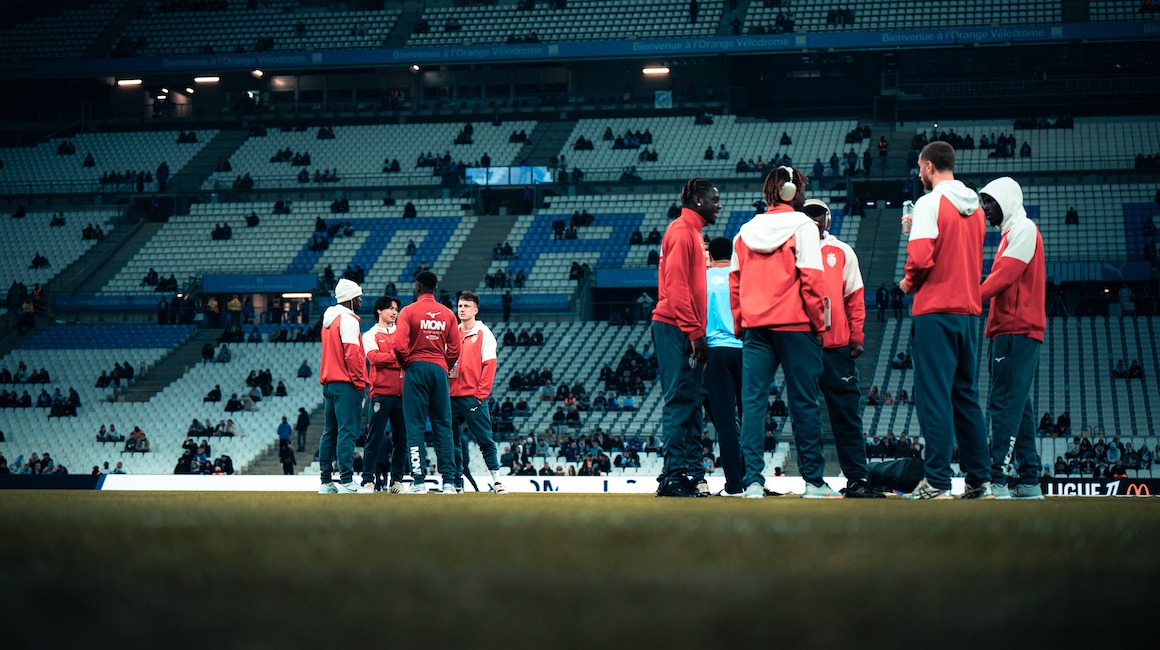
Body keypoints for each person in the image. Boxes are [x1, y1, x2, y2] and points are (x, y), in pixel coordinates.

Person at [732, 166, 834, 499]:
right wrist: (818, 324)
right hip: (796, 327)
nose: (803, 194)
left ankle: (752, 482)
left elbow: (735, 282)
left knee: (752, 405)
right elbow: (812, 281)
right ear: (791, 192)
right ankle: (813, 482)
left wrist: (741, 323)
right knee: (804, 403)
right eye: (801, 188)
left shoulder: (745, 232)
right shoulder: (805, 227)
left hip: (756, 329)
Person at [900, 141, 990, 499]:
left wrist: (908, 281)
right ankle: (979, 480)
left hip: (935, 310)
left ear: (928, 166)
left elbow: (921, 258)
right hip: (968, 311)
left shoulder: (929, 202)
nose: (919, 174)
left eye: (920, 168)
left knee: (934, 396)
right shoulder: (976, 207)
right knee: (966, 396)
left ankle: (937, 481)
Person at [803, 199, 881, 498]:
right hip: (803, 346)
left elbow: (855, 297)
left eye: (818, 215)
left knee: (846, 416)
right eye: (808, 216)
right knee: (805, 416)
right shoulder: (792, 251)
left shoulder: (843, 251)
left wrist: (857, 336)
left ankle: (857, 479)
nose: (814, 221)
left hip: (837, 347)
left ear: (828, 219)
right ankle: (813, 481)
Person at [976, 178, 1046, 500]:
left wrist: (967, 299)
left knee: (1004, 403)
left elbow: (1003, 277)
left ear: (1006, 201)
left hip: (1015, 330)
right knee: (1019, 406)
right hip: (1013, 330)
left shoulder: (1024, 229)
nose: (985, 208)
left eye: (990, 201)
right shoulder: (1012, 233)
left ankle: (997, 480)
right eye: (983, 202)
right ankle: (1030, 480)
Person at [651, 178, 719, 498]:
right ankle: (673, 475)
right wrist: (694, 333)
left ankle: (683, 473)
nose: (719, 204)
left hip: (678, 325)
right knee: (680, 401)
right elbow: (676, 287)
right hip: (676, 326)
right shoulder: (682, 231)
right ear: (698, 200)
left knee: (689, 403)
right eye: (714, 199)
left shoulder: (690, 232)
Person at [393, 271, 460, 494]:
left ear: (418, 287)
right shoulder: (448, 314)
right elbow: (455, 349)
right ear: (434, 288)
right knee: (443, 426)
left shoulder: (408, 311)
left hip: (416, 369)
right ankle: (449, 482)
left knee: (415, 426)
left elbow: (398, 346)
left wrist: (407, 363)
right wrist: (443, 366)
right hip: (439, 370)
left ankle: (419, 481)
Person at [316, 278, 372, 494]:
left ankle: (326, 482)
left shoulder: (329, 320)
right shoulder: (348, 320)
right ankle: (347, 481)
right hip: (346, 384)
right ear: (350, 299)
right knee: (347, 432)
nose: (361, 301)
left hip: (329, 383)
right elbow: (353, 355)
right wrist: (360, 384)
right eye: (358, 297)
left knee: (329, 432)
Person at [449, 291, 506, 494]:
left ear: (475, 310)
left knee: (485, 439)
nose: (462, 309)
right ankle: (456, 483)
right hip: (451, 397)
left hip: (473, 397)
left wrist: (480, 396)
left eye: (466, 306)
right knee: (451, 442)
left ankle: (497, 482)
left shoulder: (484, 333)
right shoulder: (452, 333)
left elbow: (489, 366)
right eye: (460, 306)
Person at [702, 236, 745, 496]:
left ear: (710, 256)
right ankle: (754, 480)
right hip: (745, 351)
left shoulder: (703, 279)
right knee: (749, 419)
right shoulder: (743, 277)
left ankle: (734, 485)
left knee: (726, 423)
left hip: (716, 352)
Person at [362, 295, 409, 492]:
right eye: (390, 308)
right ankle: (367, 481)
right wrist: (397, 358)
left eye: (396, 309)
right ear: (379, 311)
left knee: (402, 441)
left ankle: (396, 481)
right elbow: (374, 359)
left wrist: (390, 358)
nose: (394, 312)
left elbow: (408, 357)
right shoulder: (370, 335)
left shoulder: (403, 333)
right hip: (380, 393)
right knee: (373, 439)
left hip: (403, 394)